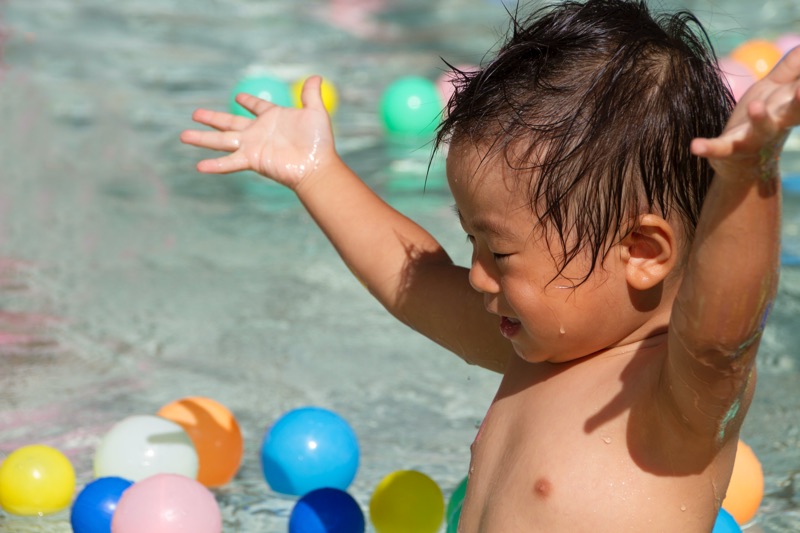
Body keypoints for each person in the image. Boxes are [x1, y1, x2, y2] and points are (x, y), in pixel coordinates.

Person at [181, 0, 800, 530]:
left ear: (641, 252)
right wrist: (318, 174)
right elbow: (415, 281)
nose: (476, 276)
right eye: (471, 242)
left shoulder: (675, 395)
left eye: (499, 253)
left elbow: (726, 327)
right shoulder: (545, 345)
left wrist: (748, 178)